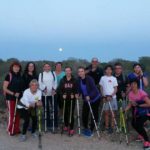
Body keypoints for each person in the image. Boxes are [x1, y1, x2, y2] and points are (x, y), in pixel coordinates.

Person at [125, 79, 150, 150]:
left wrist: (138, 105)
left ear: (137, 84)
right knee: (133, 123)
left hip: (146, 111)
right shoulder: (130, 93)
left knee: (138, 124)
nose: (133, 85)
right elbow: (130, 104)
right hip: (138, 112)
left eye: (134, 83)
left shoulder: (141, 93)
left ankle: (147, 141)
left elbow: (149, 104)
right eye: (131, 84)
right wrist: (125, 110)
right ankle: (142, 134)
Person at [78, 67, 101, 137]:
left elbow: (94, 89)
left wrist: (89, 96)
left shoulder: (89, 79)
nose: (81, 73)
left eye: (82, 71)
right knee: (84, 114)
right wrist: (77, 94)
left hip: (95, 98)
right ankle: (85, 128)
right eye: (79, 72)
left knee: (93, 114)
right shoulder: (79, 80)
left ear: (84, 72)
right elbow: (79, 89)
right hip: (86, 99)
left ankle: (91, 129)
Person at [3, 61, 23, 136]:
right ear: (12, 67)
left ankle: (16, 129)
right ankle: (10, 130)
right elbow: (4, 88)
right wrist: (14, 94)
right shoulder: (9, 75)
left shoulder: (19, 76)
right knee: (12, 115)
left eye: (18, 67)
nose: (16, 68)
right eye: (15, 66)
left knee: (17, 114)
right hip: (10, 98)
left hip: (19, 98)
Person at [58, 67, 78, 136]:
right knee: (65, 113)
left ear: (71, 71)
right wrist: (62, 95)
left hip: (72, 100)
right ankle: (66, 125)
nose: (67, 72)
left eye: (69, 71)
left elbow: (76, 89)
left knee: (71, 114)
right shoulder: (62, 80)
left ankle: (71, 128)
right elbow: (59, 90)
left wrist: (75, 94)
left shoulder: (74, 80)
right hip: (64, 99)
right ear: (65, 72)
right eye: (66, 71)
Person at [38, 63, 58, 131]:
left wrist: (54, 89)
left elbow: (55, 82)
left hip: (52, 94)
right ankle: (48, 124)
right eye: (45, 66)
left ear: (50, 67)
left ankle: (55, 124)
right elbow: (40, 83)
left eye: (48, 66)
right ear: (43, 68)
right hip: (45, 94)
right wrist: (44, 89)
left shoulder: (53, 73)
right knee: (46, 109)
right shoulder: (41, 74)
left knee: (54, 109)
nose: (47, 67)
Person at [99, 65, 118, 133]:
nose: (108, 71)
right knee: (106, 112)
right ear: (105, 70)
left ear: (111, 71)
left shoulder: (114, 78)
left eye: (110, 69)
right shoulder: (102, 78)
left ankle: (112, 127)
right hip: (105, 97)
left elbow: (116, 89)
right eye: (107, 69)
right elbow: (101, 87)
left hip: (112, 98)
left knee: (112, 113)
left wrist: (111, 96)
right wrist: (103, 96)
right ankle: (106, 127)